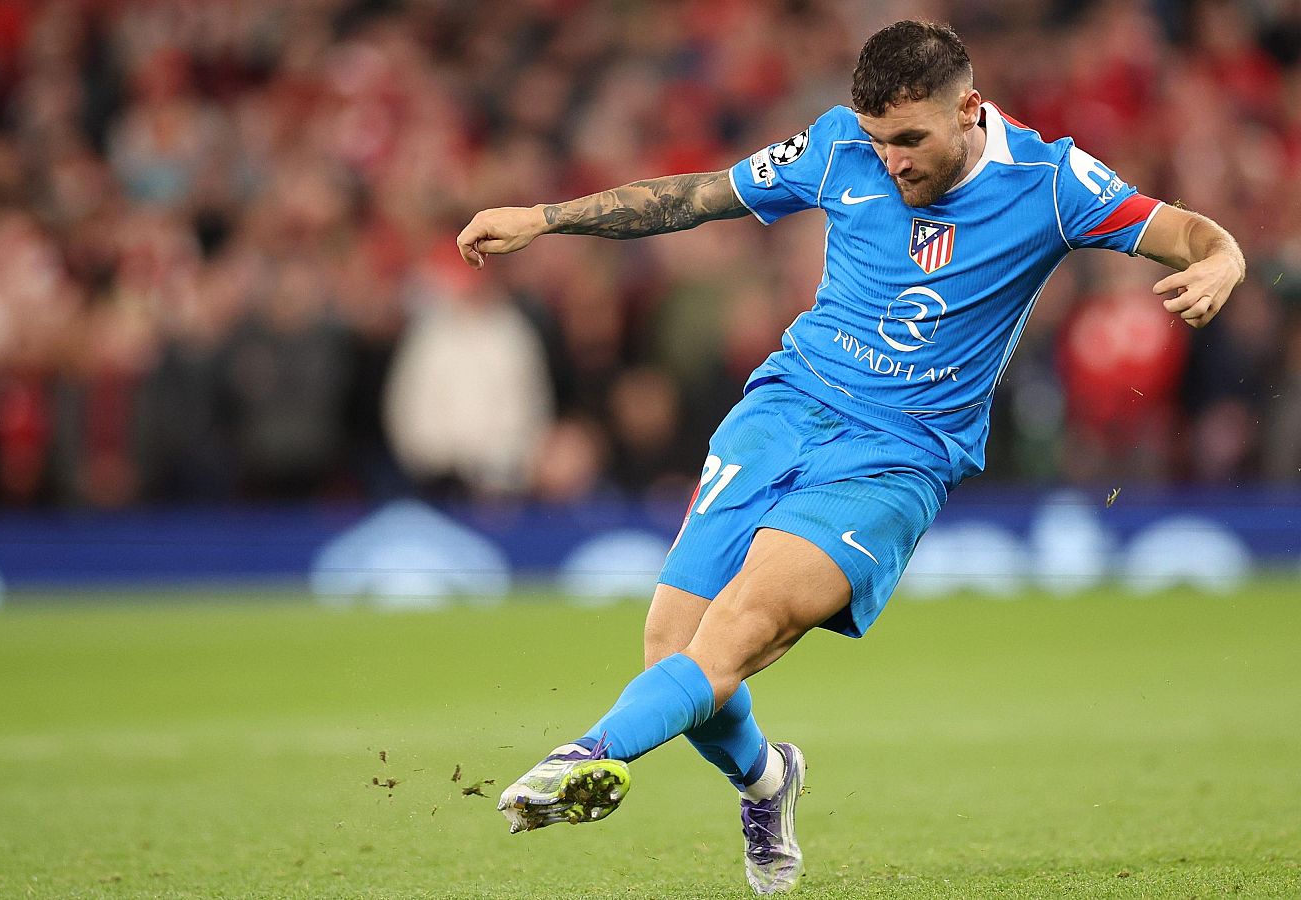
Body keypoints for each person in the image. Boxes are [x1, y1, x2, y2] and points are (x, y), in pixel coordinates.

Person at [454, 20, 1243, 896]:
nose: (892, 162)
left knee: (731, 642)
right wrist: (545, 216)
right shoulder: (835, 145)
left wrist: (1224, 262)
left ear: (969, 111)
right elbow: (699, 197)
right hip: (786, 408)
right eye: (879, 142)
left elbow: (1196, 235)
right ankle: (767, 780)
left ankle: (586, 754)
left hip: (896, 458)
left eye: (911, 140)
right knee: (670, 652)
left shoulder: (1053, 182)